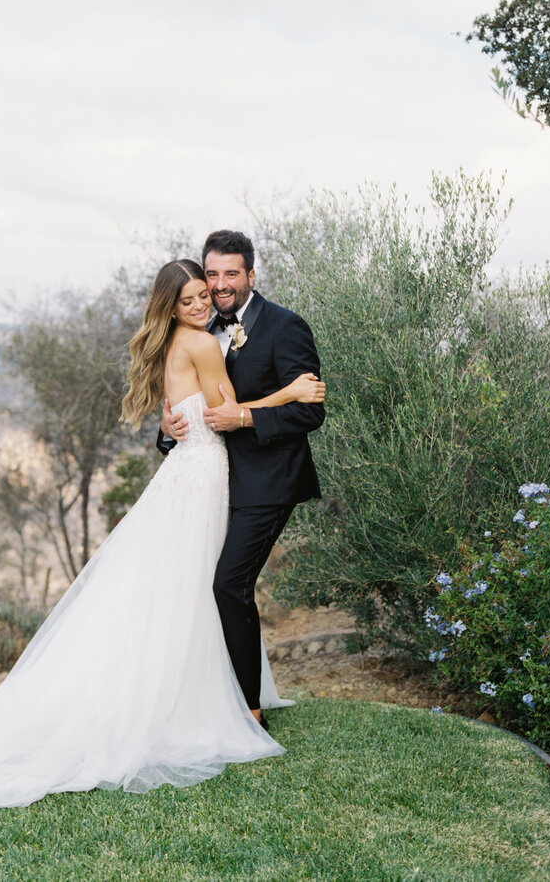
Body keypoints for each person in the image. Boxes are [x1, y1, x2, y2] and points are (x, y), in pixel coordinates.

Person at [0, 259, 324, 824]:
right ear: (172, 304)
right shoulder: (203, 342)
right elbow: (221, 414)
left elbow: (197, 410)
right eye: (190, 296)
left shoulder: (178, 342)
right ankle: (198, 701)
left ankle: (194, 692)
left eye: (204, 294)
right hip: (204, 471)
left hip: (197, 476)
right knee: (197, 586)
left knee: (186, 586)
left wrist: (189, 419)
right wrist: (285, 391)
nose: (201, 302)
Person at [159, 230, 325, 728]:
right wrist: (168, 431)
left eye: (231, 273)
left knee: (229, 584)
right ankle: (215, 694)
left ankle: (249, 709)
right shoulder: (204, 329)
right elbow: (195, 405)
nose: (220, 283)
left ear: (251, 274)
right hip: (215, 479)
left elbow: (311, 413)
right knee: (209, 586)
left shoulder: (285, 327)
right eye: (212, 274)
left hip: (270, 482)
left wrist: (248, 419)